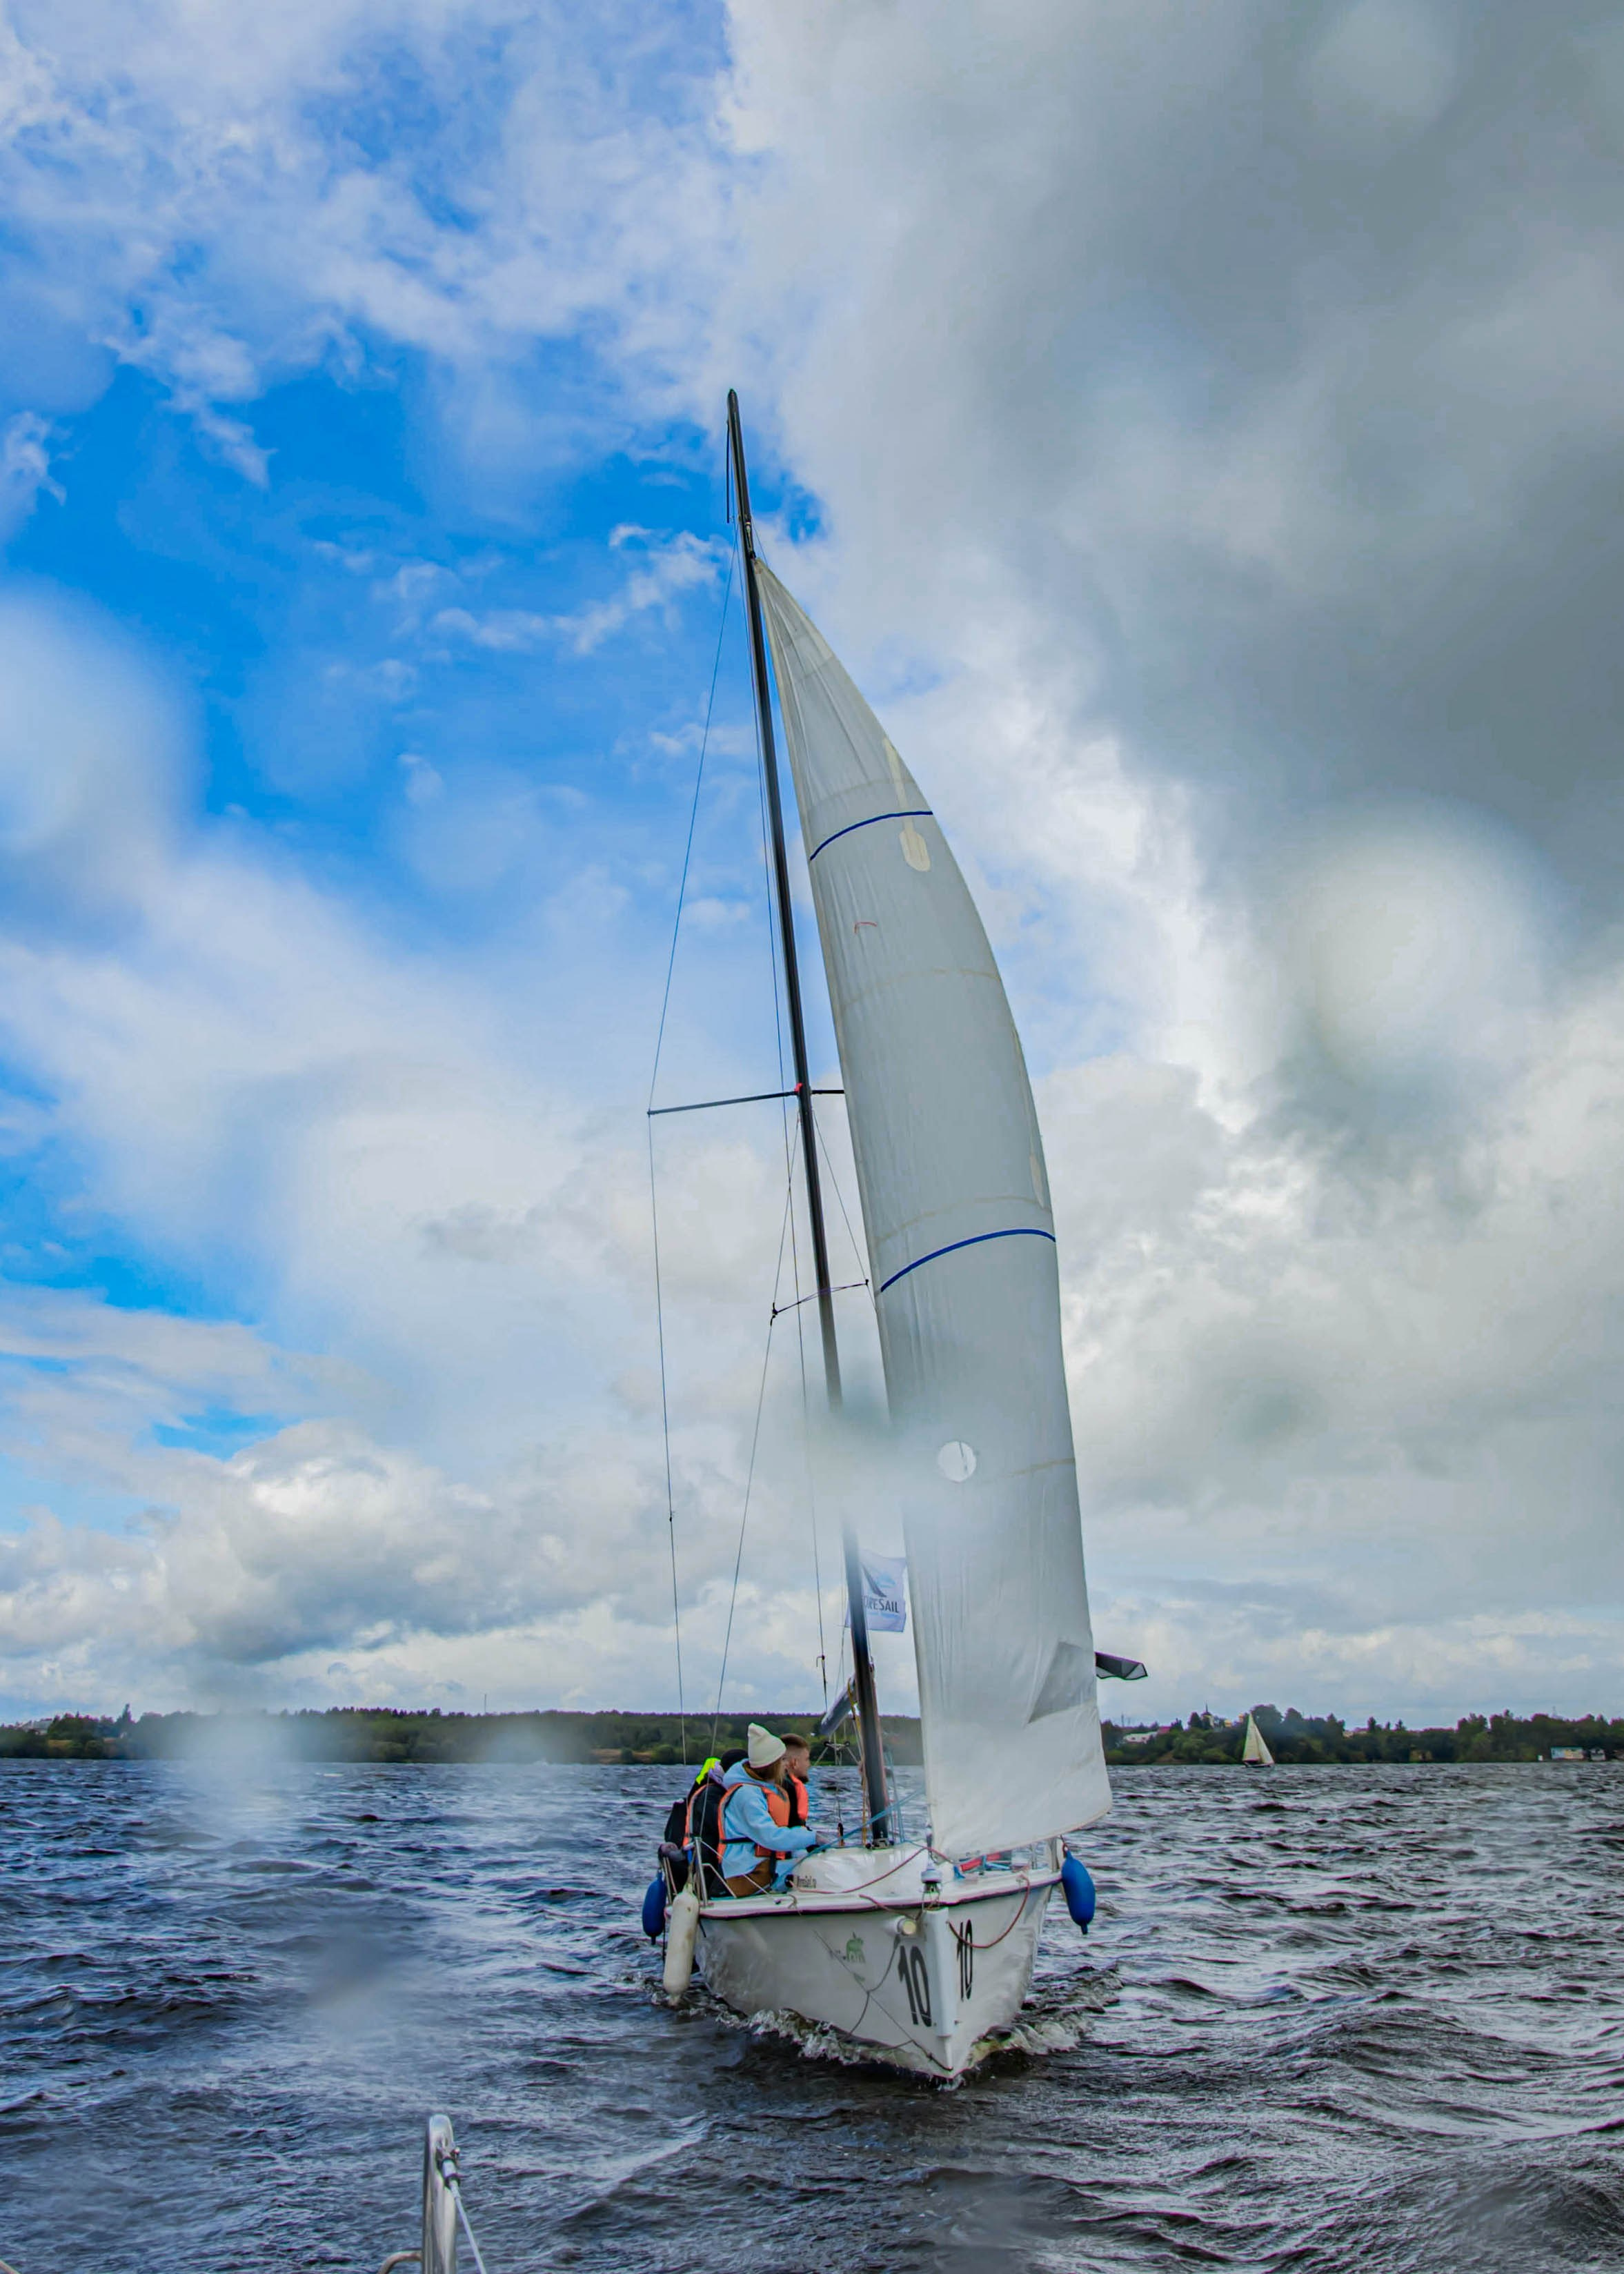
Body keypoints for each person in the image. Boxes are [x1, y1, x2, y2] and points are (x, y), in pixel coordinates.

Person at [719, 1725, 818, 1895]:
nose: (785, 1765)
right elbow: (771, 1837)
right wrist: (813, 1837)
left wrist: (804, 1851)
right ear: (772, 1765)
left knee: (815, 1865)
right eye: (782, 1761)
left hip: (763, 1867)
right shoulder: (747, 1796)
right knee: (818, 1874)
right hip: (747, 1875)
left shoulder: (763, 1790)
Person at [780, 1732, 813, 1829]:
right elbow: (795, 1826)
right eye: (807, 1759)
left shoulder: (773, 1782)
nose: (809, 1765)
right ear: (794, 1763)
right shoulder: (788, 1787)